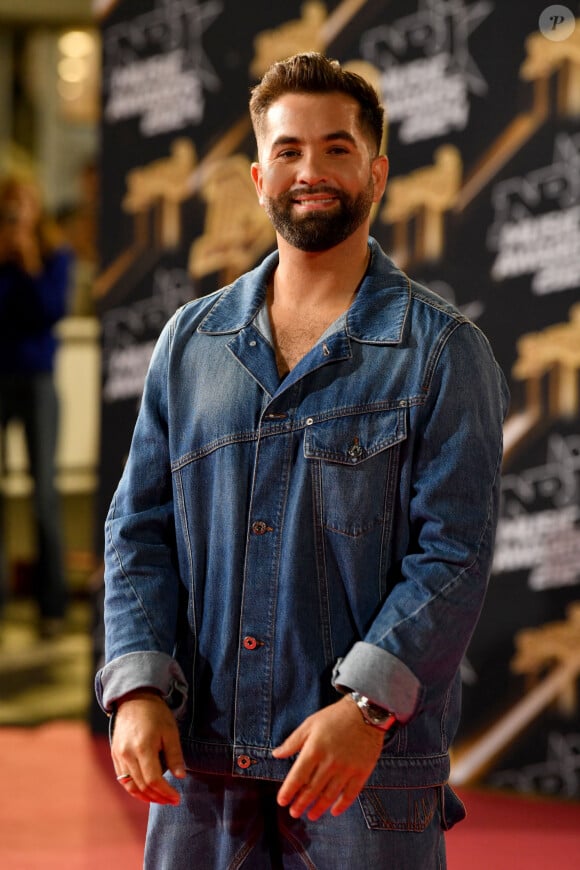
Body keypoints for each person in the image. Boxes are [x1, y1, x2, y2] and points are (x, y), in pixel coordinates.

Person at [95, 53, 509, 868]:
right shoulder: (190, 341)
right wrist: (139, 686)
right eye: (288, 151)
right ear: (258, 176)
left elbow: (454, 556)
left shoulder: (443, 353)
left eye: (336, 148)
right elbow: (137, 530)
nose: (310, 171)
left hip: (366, 773)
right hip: (203, 768)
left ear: (379, 173)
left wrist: (366, 709)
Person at [0, 175, 73, 638]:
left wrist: (27, 260)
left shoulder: (54, 253)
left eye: (20, 206)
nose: (13, 215)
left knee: (43, 494)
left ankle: (52, 605)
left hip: (40, 381)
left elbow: (52, 310)